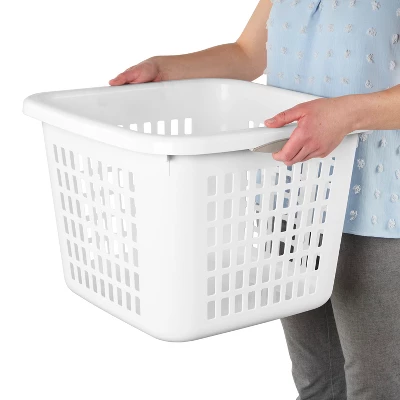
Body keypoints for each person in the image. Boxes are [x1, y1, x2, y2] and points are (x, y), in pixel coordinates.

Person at [110, 1, 400, 398]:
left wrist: (347, 115)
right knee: (318, 380)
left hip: (379, 207)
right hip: (294, 201)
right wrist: (164, 69)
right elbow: (247, 54)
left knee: (378, 387)